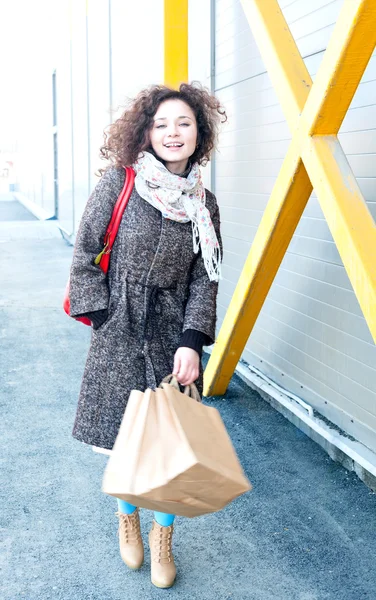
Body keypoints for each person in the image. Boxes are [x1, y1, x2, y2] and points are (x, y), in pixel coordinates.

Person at [68, 82, 226, 589]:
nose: (172, 132)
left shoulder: (204, 202)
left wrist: (192, 339)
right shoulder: (120, 182)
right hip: (119, 327)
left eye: (183, 123)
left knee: (169, 441)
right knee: (123, 439)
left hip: (171, 333)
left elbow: (206, 276)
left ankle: (163, 537)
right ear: (146, 132)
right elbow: (86, 250)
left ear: (199, 132)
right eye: (161, 124)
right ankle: (127, 518)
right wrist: (101, 315)